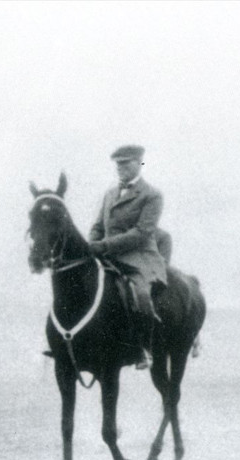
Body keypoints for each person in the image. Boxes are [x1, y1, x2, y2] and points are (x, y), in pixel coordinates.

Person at [88, 144, 168, 369]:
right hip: (106, 254)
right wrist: (90, 244)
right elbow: (97, 226)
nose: (120, 168)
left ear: (139, 164)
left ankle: (144, 348)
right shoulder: (109, 193)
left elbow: (142, 233)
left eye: (126, 163)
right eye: (118, 164)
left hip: (138, 257)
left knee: (141, 294)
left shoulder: (152, 195)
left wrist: (103, 246)